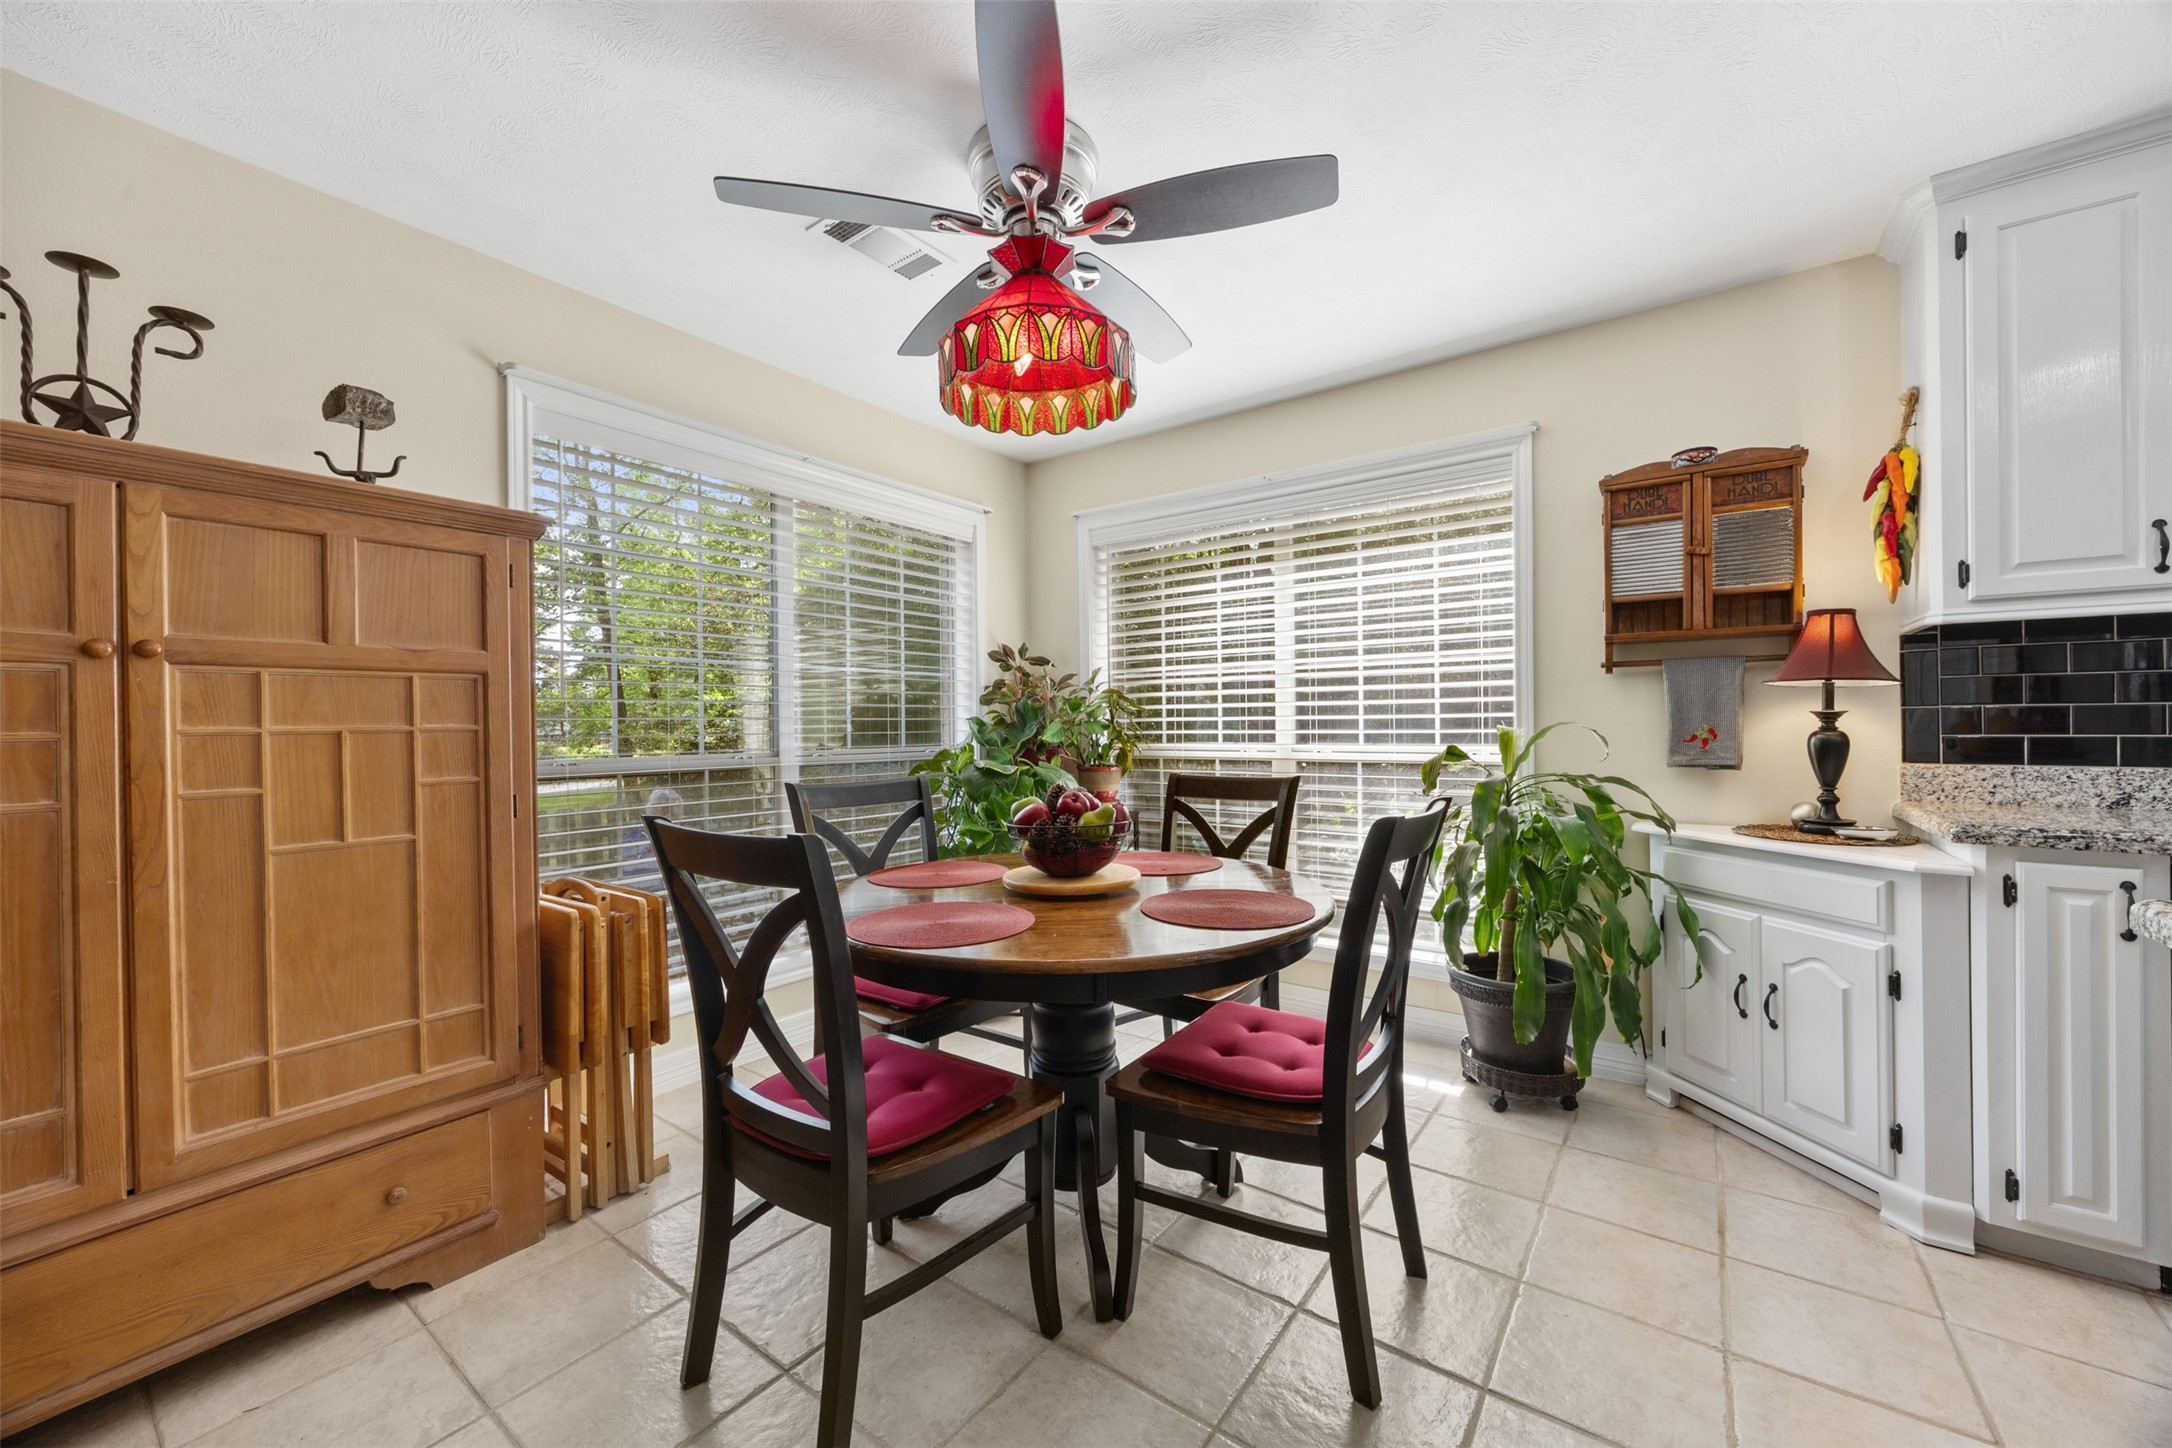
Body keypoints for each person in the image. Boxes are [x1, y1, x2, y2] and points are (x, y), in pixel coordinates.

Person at [618, 787, 684, 888]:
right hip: (640, 880)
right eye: (657, 805)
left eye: (666, 806)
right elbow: (625, 851)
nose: (660, 809)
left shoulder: (679, 832)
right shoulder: (637, 831)